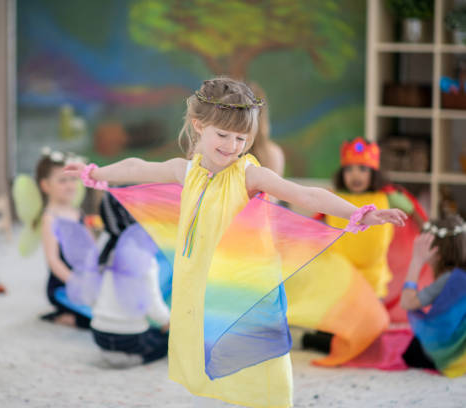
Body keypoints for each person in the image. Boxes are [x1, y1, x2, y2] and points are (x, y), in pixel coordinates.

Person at [65, 77, 406, 407]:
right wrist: (96, 173)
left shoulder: (248, 174)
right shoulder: (186, 170)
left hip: (244, 280)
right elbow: (137, 167)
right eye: (223, 135)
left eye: (241, 138)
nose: (232, 146)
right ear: (199, 125)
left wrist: (356, 212)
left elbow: (304, 193)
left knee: (260, 360)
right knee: (211, 353)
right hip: (200, 280)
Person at [90, 193, 170, 367]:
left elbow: (90, 295)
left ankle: (112, 353)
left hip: (98, 334)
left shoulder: (102, 251)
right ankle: (134, 358)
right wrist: (167, 321)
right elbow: (153, 305)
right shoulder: (144, 255)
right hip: (130, 338)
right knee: (165, 340)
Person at [400, 215, 466, 377]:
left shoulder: (451, 279)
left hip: (455, 351)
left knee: (410, 352)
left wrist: (416, 261)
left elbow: (408, 302)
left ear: (436, 252)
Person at [36, 150, 91, 328]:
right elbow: (53, 260)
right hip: (63, 285)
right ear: (45, 185)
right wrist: (77, 283)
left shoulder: (78, 212)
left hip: (85, 277)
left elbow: (91, 247)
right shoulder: (50, 218)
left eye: (73, 179)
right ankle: (63, 317)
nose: (70, 185)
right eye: (62, 180)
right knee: (93, 319)